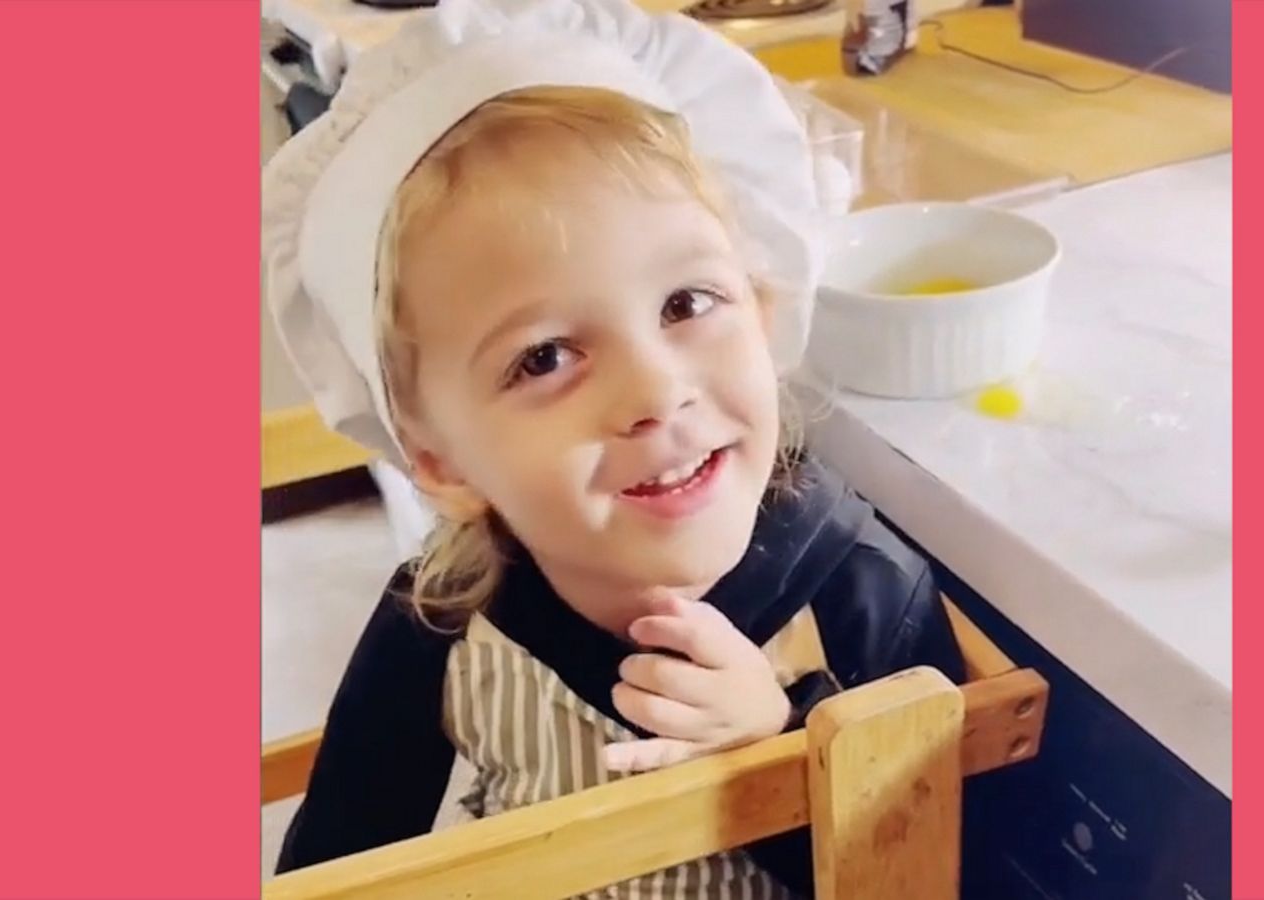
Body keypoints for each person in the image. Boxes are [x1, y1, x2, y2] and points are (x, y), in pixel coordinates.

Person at [262, 0, 970, 895]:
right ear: (438, 461)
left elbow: (950, 865)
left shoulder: (861, 595)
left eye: (686, 303)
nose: (654, 393)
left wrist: (788, 746)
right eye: (545, 358)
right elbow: (339, 860)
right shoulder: (442, 618)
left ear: (762, 304)